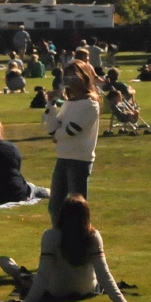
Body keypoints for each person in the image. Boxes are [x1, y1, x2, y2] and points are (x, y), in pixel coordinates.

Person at [0, 194, 135, 302]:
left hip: (56, 290)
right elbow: (103, 274)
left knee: (26, 278)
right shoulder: (93, 236)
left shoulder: (51, 236)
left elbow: (43, 276)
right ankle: (15, 269)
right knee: (31, 278)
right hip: (87, 289)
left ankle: (14, 270)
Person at [43, 60, 101, 223]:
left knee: (77, 208)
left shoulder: (90, 104)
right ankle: (58, 236)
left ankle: (80, 238)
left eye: (74, 78)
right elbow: (52, 128)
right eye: (67, 79)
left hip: (79, 159)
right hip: (63, 156)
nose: (71, 83)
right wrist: (50, 104)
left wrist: (56, 135)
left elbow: (71, 130)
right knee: (55, 205)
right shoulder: (69, 102)